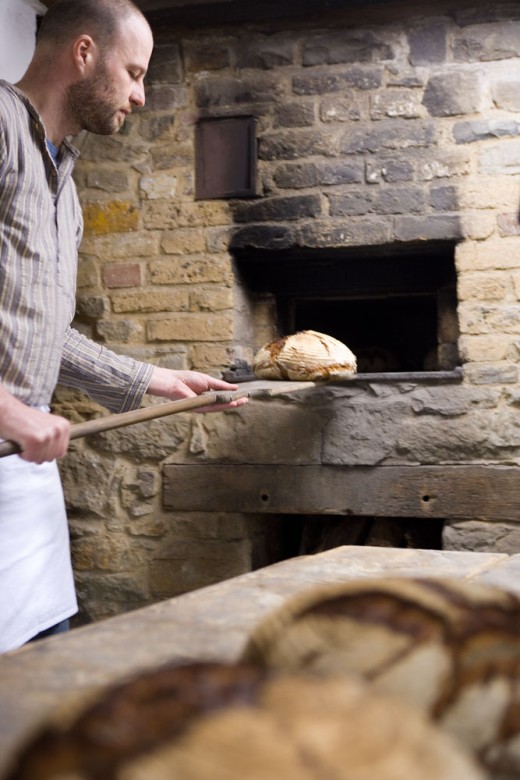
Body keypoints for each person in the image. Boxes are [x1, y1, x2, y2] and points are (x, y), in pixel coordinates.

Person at [0, 0, 246, 653]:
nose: (140, 95)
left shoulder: (67, 185)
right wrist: (9, 410)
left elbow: (41, 330)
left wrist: (156, 381)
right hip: (13, 439)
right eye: (134, 72)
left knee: (41, 685)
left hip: (24, 479)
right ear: (83, 53)